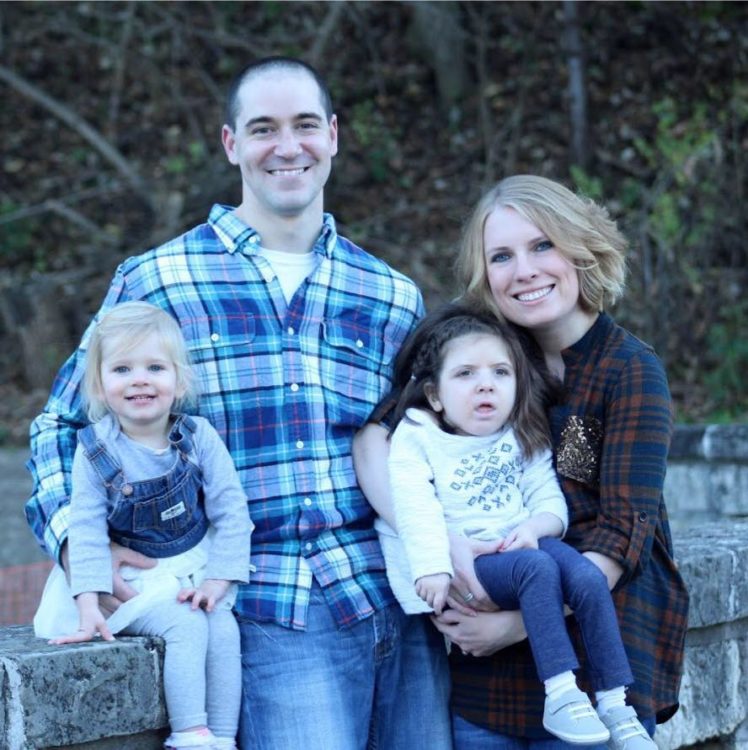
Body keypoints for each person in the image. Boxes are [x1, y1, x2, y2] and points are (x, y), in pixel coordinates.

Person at [25, 57, 452, 750]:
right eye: (263, 129)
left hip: (401, 604)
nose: (288, 146)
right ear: (232, 145)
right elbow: (62, 424)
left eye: (306, 125)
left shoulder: (390, 294)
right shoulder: (158, 280)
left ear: (334, 136)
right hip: (266, 609)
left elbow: (425, 442)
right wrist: (78, 545)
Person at [353, 175, 689, 750]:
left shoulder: (626, 371)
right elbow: (376, 441)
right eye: (501, 256)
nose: (524, 271)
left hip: (593, 654)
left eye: (542, 246)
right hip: (490, 682)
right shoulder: (482, 351)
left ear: (580, 250)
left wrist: (516, 626)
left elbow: (619, 538)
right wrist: (441, 536)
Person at [371, 303, 654, 746]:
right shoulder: (420, 434)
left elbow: (550, 501)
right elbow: (414, 504)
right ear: (435, 395)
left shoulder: (522, 431)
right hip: (474, 557)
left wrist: (536, 528)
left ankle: (615, 701)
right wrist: (431, 564)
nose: (485, 383)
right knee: (536, 569)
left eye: (500, 374)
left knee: (584, 575)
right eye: (466, 374)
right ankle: (562, 693)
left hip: (519, 543)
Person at [34, 301, 253, 750]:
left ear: (179, 379)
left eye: (155, 366)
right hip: (138, 577)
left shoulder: (198, 437)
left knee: (223, 626)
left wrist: (218, 579)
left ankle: (224, 738)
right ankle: (191, 734)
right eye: (122, 369)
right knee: (186, 623)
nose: (139, 379)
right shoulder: (95, 450)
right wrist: (89, 602)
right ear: (99, 384)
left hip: (195, 567)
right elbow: (88, 527)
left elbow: (232, 511)